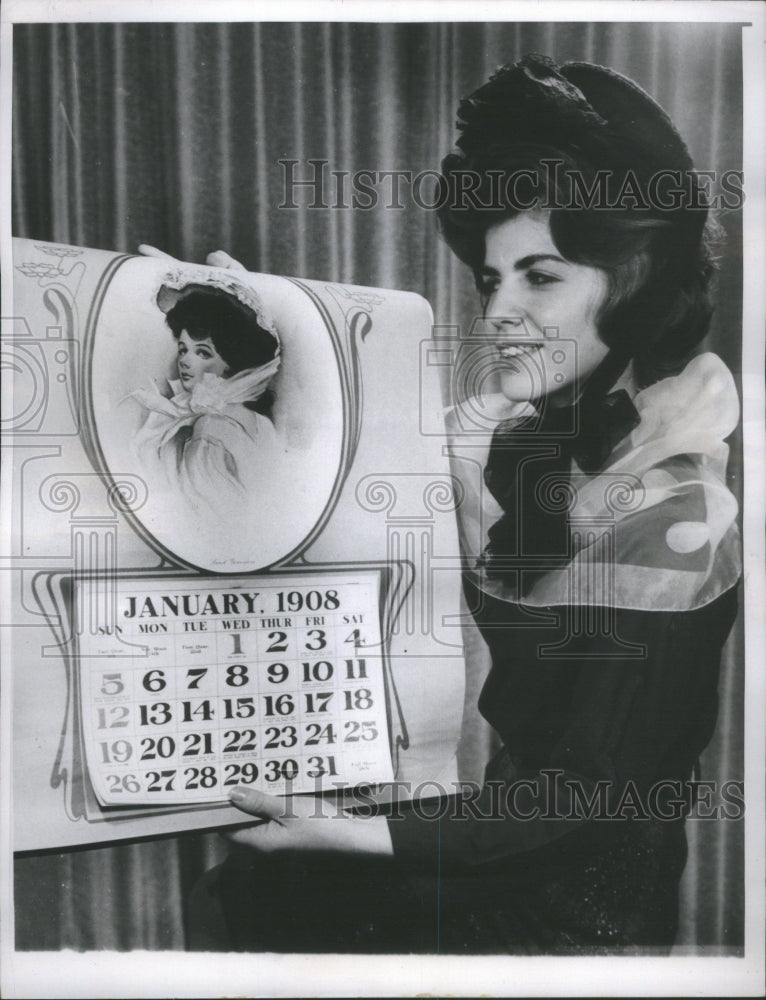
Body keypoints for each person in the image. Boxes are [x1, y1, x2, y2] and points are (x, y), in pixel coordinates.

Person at [191, 54, 741, 954]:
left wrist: (346, 828)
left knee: (267, 895)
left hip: (578, 912)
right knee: (250, 889)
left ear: (632, 282)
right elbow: (344, 473)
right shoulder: (529, 448)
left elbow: (582, 800)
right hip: (508, 849)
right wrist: (257, 318)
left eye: (542, 276)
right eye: (492, 279)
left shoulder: (680, 510)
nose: (498, 311)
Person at [129, 269, 282, 516]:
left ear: (232, 360)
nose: (185, 361)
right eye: (182, 349)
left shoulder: (209, 428)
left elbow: (211, 522)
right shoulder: (262, 424)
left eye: (203, 352)